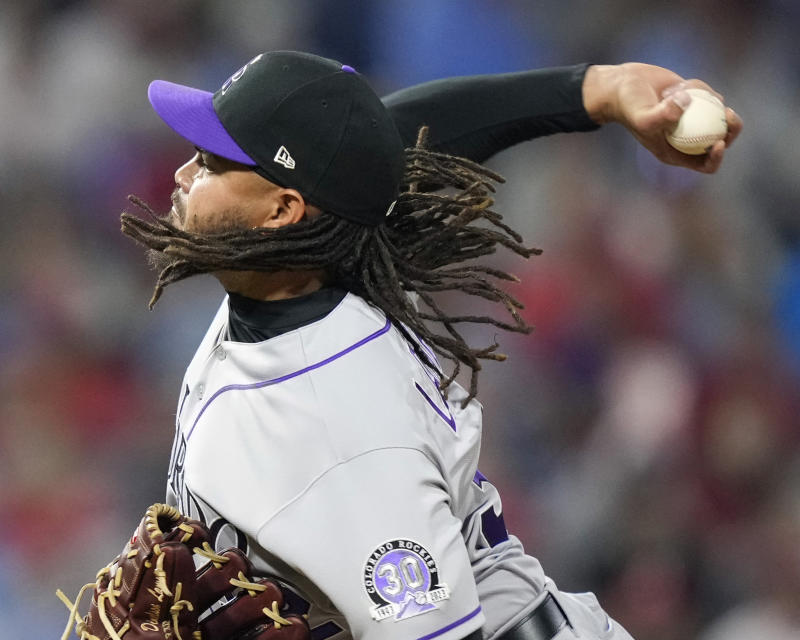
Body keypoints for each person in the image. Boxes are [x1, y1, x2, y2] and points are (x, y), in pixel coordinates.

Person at [118, 51, 741, 640]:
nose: (181, 175)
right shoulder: (334, 246)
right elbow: (401, 141)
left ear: (281, 210)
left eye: (210, 164)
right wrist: (599, 90)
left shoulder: (334, 429)